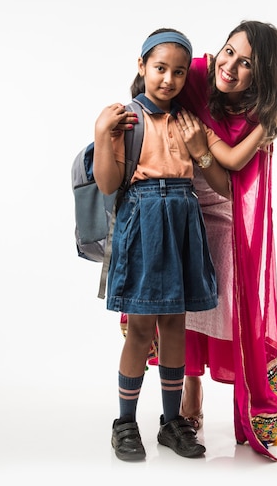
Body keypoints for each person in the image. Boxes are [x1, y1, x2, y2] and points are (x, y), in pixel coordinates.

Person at [93, 28, 232, 462]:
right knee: (140, 329)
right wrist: (102, 134)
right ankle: (125, 423)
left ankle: (171, 423)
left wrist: (199, 148)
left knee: (175, 326)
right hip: (143, 225)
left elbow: (223, 185)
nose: (168, 79)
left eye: (176, 72)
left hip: (182, 226)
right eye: (159, 69)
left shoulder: (191, 122)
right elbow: (109, 184)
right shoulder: (127, 119)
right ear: (141, 67)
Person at [174, 20, 277, 462]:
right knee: (182, 300)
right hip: (181, 206)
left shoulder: (255, 119)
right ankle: (189, 389)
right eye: (229, 51)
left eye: (245, 63)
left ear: (259, 77)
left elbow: (232, 188)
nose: (230, 65)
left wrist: (201, 149)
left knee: (220, 304)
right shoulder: (199, 76)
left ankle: (243, 404)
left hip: (222, 216)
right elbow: (156, 72)